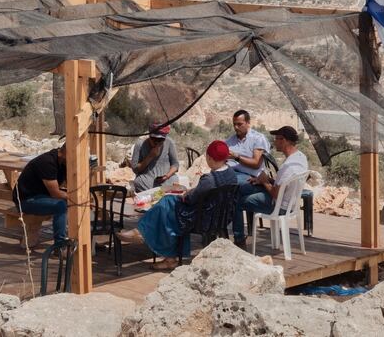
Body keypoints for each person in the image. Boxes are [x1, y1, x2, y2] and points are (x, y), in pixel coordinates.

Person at [118, 140, 238, 270]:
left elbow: (191, 199)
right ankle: (147, 237)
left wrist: (184, 195)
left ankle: (144, 234)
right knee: (167, 205)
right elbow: (202, 194)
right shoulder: (231, 174)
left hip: (201, 219)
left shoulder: (209, 180)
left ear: (209, 157)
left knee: (166, 205)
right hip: (219, 217)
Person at [234, 126, 308, 246]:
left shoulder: (288, 166)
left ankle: (239, 240)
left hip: (279, 206)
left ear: (284, 140)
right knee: (246, 189)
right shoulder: (301, 157)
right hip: (291, 204)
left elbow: (276, 194)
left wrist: (264, 181)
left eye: (276, 139)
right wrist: (267, 179)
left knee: (236, 201)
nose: (274, 141)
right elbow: (285, 184)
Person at [226, 109, 270, 244]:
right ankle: (216, 230)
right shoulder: (230, 140)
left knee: (231, 191)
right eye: (234, 124)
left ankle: (238, 237)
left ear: (248, 123)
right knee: (213, 184)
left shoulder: (258, 138)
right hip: (233, 174)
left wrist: (237, 157)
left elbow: (256, 164)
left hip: (252, 178)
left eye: (239, 124)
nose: (236, 127)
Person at [12, 144, 67, 248]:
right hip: (26, 200)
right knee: (60, 205)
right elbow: (55, 193)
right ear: (65, 153)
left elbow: (73, 185)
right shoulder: (47, 162)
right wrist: (75, 198)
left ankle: (86, 239)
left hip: (41, 196)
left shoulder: (63, 162)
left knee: (79, 203)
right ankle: (60, 246)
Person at [131, 122, 179, 193]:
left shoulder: (169, 142)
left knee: (174, 180)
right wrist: (150, 156)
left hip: (166, 179)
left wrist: (167, 176)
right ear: (149, 135)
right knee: (138, 182)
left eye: (160, 140)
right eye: (154, 138)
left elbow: (175, 165)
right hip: (147, 180)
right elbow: (135, 169)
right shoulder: (140, 144)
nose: (156, 142)